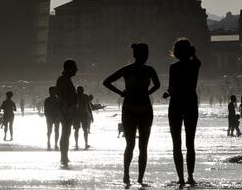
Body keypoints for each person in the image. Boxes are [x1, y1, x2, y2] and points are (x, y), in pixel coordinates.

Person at [104, 43, 160, 186]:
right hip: (145, 108)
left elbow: (107, 82)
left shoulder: (126, 69)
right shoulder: (149, 70)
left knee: (130, 144)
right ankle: (140, 178)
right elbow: (157, 85)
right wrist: (147, 93)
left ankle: (127, 175)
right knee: (143, 146)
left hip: (129, 107)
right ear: (144, 55)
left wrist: (122, 93)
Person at [162, 38, 201, 187]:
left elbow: (171, 88)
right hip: (190, 102)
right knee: (190, 143)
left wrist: (167, 93)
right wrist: (192, 51)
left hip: (176, 104)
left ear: (176, 53)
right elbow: (196, 58)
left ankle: (181, 178)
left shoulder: (174, 67)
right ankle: (190, 177)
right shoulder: (195, 65)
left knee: (176, 144)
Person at [56, 59, 78, 166]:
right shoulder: (63, 80)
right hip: (65, 111)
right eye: (74, 68)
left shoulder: (65, 79)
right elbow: (62, 97)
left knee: (66, 133)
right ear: (68, 68)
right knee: (65, 133)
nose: (76, 70)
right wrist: (67, 110)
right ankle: (63, 156)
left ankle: (64, 155)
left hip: (67, 110)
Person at [73, 86, 92, 150]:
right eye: (80, 90)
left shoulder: (84, 96)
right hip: (78, 115)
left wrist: (91, 115)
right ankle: (79, 144)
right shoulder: (75, 97)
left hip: (80, 115)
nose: (81, 91)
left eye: (81, 90)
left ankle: (82, 144)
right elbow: (89, 107)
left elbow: (88, 106)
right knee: (80, 130)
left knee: (81, 130)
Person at [44, 86, 61, 151]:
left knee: (55, 130)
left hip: (55, 116)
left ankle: (55, 143)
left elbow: (60, 108)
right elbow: (46, 109)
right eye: (51, 91)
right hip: (51, 116)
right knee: (50, 130)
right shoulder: (48, 100)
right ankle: (49, 141)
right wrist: (47, 116)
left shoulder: (58, 99)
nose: (51, 92)